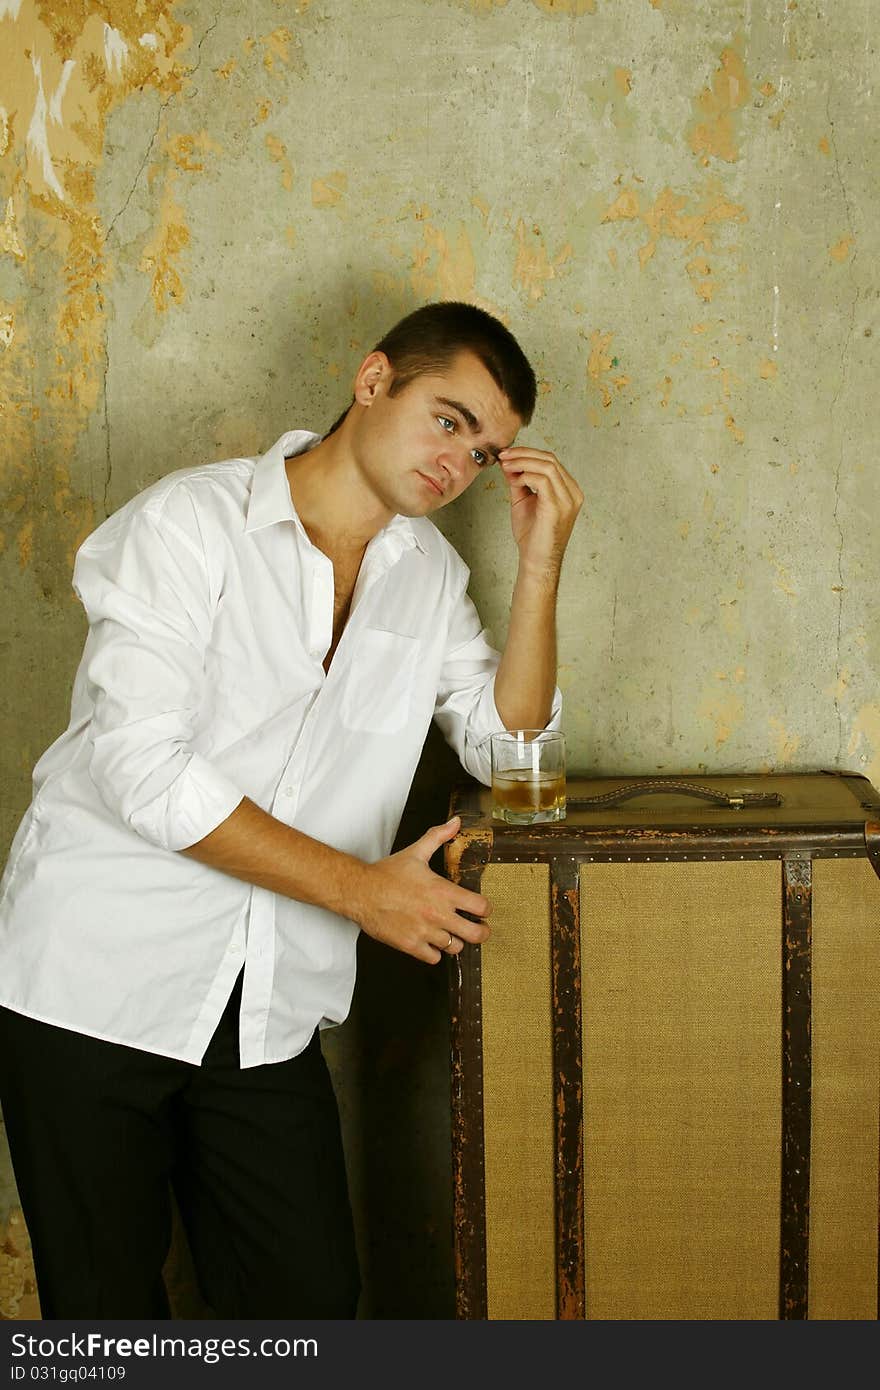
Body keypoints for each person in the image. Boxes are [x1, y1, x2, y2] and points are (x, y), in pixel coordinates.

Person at [0, 300, 583, 1319]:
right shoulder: (189, 524)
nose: (460, 463)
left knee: (306, 1312)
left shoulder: (427, 577)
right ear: (372, 381)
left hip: (266, 1007)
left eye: (486, 453)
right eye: (448, 419)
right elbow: (143, 766)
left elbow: (507, 745)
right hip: (91, 981)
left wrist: (538, 563)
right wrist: (362, 890)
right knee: (104, 1319)